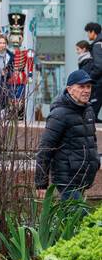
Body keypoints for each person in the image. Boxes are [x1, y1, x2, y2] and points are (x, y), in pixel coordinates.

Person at [35, 70, 100, 200]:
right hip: (66, 178)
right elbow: (45, 148)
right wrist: (41, 183)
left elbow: (92, 140)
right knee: (81, 215)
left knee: (72, 218)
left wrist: (95, 162)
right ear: (70, 89)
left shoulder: (88, 110)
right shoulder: (59, 114)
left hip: (82, 177)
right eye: (81, 86)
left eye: (88, 87)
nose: (86, 90)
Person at [85, 23, 102, 126]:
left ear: (93, 32)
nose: (88, 35)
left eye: (88, 32)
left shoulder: (97, 45)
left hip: (99, 82)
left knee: (92, 114)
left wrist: (90, 78)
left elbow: (99, 66)